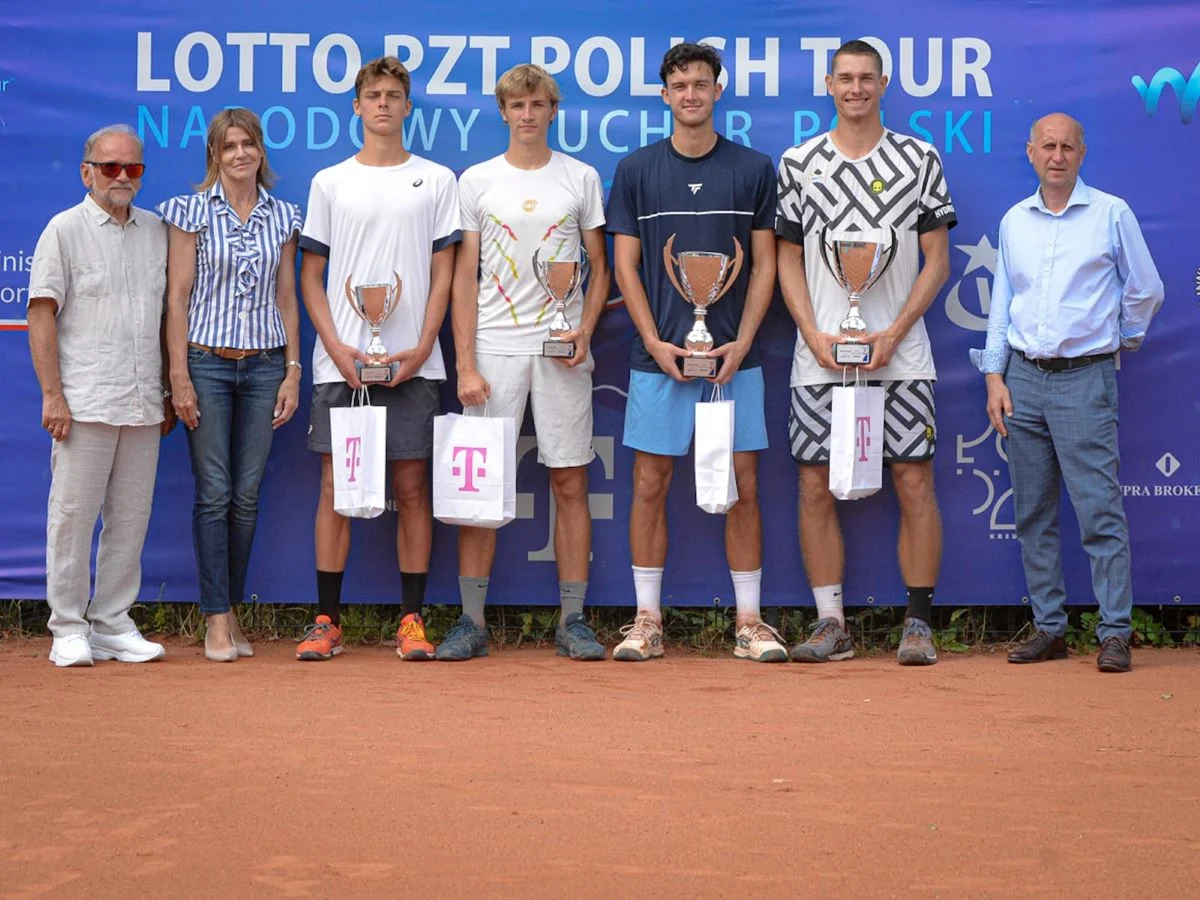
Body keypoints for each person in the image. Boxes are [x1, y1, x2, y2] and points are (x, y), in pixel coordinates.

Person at [775, 39, 955, 666]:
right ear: (829, 85)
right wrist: (812, 333)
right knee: (814, 485)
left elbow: (938, 260)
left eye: (866, 78)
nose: (855, 88)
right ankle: (832, 624)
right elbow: (786, 258)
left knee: (914, 479)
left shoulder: (919, 158)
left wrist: (896, 331)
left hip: (901, 356)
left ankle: (919, 624)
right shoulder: (799, 163)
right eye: (845, 78)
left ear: (883, 85)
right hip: (820, 358)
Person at [605, 42, 784, 662]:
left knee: (744, 484)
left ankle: (750, 622)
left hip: (736, 360)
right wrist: (654, 341)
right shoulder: (635, 170)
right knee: (649, 482)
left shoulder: (754, 168)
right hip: (657, 360)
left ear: (717, 91)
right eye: (679, 85)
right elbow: (624, 268)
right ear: (665, 95)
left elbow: (764, 265)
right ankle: (647, 621)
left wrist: (745, 340)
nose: (690, 95)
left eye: (700, 84)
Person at [975, 113, 1163, 673]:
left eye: (1067, 147)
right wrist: (994, 375)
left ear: (1082, 154)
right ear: (1030, 152)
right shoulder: (1014, 221)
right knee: (1033, 513)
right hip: (1022, 381)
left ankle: (1115, 633)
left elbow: (1146, 288)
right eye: (1048, 146)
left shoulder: (1111, 213)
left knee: (1099, 511)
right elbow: (1002, 305)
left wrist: (1120, 339)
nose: (1057, 156)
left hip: (1085, 378)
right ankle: (1050, 628)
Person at [442, 64, 611, 661]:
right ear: (504, 112)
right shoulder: (477, 180)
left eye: (538, 104)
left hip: (562, 351)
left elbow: (600, 266)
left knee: (570, 478)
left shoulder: (580, 177)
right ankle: (471, 622)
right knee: (481, 486)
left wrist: (584, 330)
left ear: (552, 110)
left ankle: (573, 620)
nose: (528, 114)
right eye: (517, 105)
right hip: (494, 348)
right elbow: (464, 277)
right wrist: (465, 362)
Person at [297, 56, 461, 661]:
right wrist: (336, 348)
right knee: (335, 486)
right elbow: (311, 276)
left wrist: (423, 346)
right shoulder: (330, 182)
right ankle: (326, 621)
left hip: (415, 364)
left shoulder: (437, 180)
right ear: (357, 107)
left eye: (394, 94)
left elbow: (444, 273)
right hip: (341, 363)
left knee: (413, 487)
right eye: (373, 95)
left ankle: (411, 620)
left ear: (408, 106)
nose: (384, 104)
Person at [158, 109, 303, 663]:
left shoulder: (283, 216)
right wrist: (178, 375)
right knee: (214, 492)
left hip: (265, 367)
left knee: (245, 497)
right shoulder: (190, 211)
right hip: (206, 364)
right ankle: (216, 619)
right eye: (228, 146)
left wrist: (293, 370)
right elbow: (177, 297)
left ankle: (230, 609)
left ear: (261, 151)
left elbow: (287, 298)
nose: (239, 154)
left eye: (248, 144)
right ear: (214, 155)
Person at [27, 124, 173, 667]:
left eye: (133, 167)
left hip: (143, 403)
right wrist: (53, 396)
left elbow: (168, 318)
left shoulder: (157, 231)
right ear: (87, 172)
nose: (121, 177)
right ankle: (67, 627)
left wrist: (166, 390)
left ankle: (112, 622)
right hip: (84, 401)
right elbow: (41, 315)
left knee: (130, 520)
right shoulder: (63, 230)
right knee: (72, 518)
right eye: (110, 167)